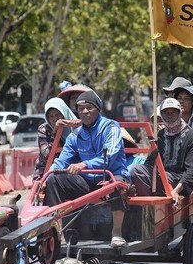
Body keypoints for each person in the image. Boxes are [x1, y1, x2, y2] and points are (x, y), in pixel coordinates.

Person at [44, 90, 130, 247]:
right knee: (53, 180)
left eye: (89, 107)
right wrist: (47, 175)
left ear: (97, 108)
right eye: (80, 108)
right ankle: (58, 233)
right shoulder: (75, 134)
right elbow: (62, 160)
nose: (84, 111)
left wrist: (84, 164)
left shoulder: (111, 127)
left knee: (116, 184)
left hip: (112, 177)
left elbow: (109, 157)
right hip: (89, 181)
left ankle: (117, 233)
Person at [131, 98, 193, 208]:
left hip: (181, 182)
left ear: (180, 113)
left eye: (173, 112)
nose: (170, 116)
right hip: (160, 177)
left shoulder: (192, 136)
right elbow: (150, 162)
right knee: (136, 170)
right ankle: (147, 205)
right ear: (161, 115)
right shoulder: (160, 135)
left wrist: (176, 190)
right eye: (166, 113)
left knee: (165, 177)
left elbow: (192, 171)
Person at [32, 97, 78, 181]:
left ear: (64, 113)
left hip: (73, 170)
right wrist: (55, 132)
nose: (55, 119)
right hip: (47, 170)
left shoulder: (76, 127)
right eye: (51, 116)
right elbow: (46, 154)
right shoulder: (44, 129)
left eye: (57, 115)